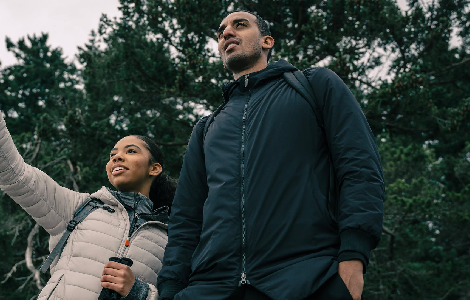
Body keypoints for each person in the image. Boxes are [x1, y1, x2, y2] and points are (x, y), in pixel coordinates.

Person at [157, 11, 384, 300]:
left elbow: (359, 167)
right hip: (211, 287)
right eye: (221, 30)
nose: (227, 32)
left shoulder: (314, 86)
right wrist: (170, 288)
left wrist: (354, 255)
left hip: (307, 279)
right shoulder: (206, 128)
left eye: (240, 25)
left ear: (267, 40)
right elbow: (186, 218)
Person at [0, 38, 175, 300]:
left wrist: (141, 293)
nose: (117, 158)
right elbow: (13, 174)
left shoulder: (174, 236)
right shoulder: (79, 209)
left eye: (130, 151)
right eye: (113, 155)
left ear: (154, 168)